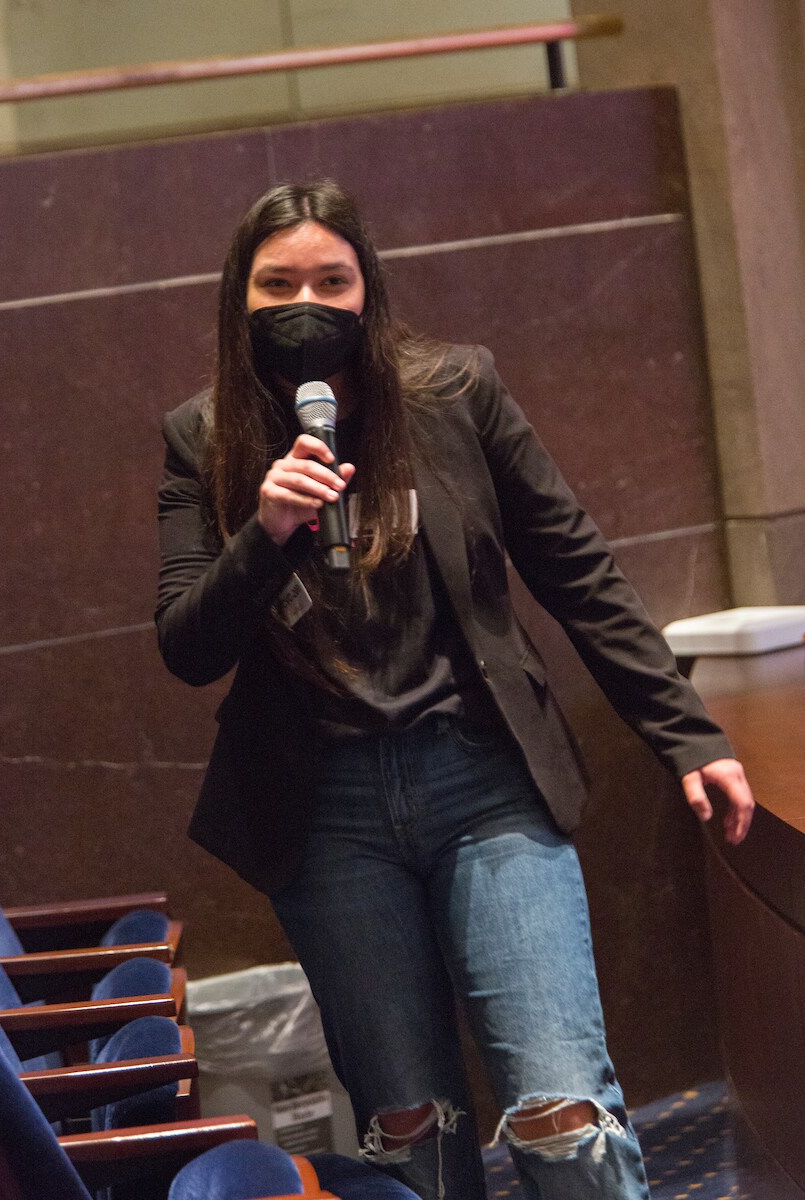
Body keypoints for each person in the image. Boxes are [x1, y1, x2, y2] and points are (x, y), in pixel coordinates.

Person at [155, 180, 754, 1200]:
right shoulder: (202, 437)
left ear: (367, 289)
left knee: (560, 1111)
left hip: (484, 782)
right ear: (238, 299)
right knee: (411, 1128)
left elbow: (578, 571)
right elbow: (187, 644)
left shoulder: (453, 392)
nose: (306, 302)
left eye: (331, 280)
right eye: (278, 283)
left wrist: (687, 735)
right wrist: (264, 533)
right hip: (326, 812)